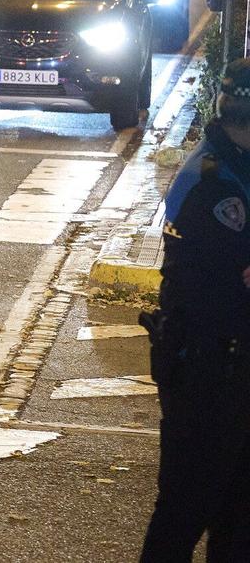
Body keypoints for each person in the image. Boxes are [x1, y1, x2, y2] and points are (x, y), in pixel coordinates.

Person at [141, 58, 250, 561]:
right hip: (207, 370)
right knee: (186, 510)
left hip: (229, 366)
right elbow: (234, 277)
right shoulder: (213, 182)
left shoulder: (234, 164)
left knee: (237, 517)